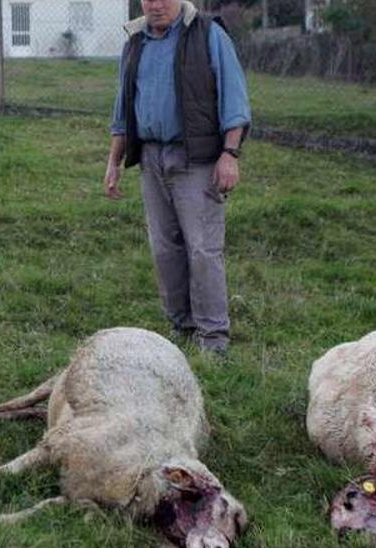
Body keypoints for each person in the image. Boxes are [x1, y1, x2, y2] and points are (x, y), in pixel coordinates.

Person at [104, 0, 251, 356]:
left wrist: (229, 155)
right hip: (151, 158)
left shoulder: (208, 34)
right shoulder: (135, 42)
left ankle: (213, 340)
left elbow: (235, 101)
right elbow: (124, 108)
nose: (156, 5)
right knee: (165, 248)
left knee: (202, 249)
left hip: (197, 159)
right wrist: (114, 162)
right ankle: (182, 328)